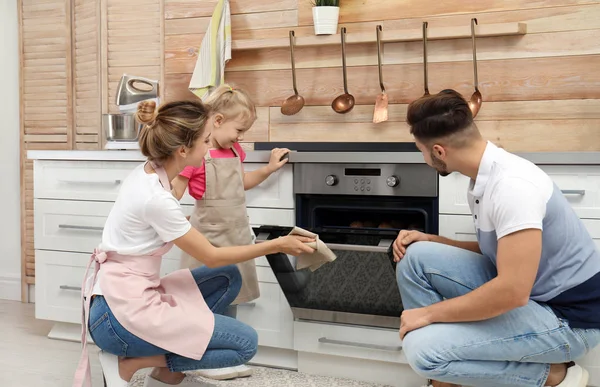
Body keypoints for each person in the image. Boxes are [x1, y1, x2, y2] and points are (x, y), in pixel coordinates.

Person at [72, 99, 314, 387]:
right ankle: (132, 362)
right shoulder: (157, 199)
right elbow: (210, 255)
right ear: (183, 150)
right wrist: (278, 245)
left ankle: (168, 370)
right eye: (204, 141)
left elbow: (160, 223)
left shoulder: (147, 174)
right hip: (116, 320)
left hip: (115, 298)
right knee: (244, 345)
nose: (208, 147)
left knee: (228, 276)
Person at [392, 90, 600, 387]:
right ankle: (445, 378)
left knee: (422, 351)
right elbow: (504, 252)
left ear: (438, 151)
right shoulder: (482, 177)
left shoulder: (512, 187)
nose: (423, 157)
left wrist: (427, 315)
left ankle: (556, 375)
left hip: (569, 322)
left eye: (420, 150)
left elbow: (513, 292)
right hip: (535, 301)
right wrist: (432, 240)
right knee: (417, 256)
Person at [170, 84, 289, 380]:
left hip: (236, 234)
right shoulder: (199, 154)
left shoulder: (234, 150)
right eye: (240, 130)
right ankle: (202, 358)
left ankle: (224, 354)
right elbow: (176, 190)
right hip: (206, 238)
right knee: (205, 300)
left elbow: (241, 182)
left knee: (232, 296)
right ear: (218, 121)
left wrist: (269, 169)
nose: (241, 138)